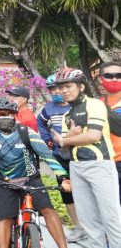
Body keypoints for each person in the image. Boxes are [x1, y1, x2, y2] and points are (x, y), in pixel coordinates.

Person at [0, 97, 71, 248]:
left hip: (31, 179)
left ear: (14, 114)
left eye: (4, 113)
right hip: (5, 182)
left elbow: (47, 156)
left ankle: (63, 246)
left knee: (48, 210)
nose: (0, 117)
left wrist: (63, 178)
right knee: (4, 219)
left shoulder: (26, 132)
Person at [56, 67, 121, 248]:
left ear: (81, 86)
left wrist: (65, 138)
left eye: (68, 86)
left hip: (100, 165)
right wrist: (67, 139)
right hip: (76, 167)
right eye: (61, 88)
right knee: (88, 220)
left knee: (111, 217)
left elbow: (93, 136)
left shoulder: (95, 104)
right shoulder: (66, 115)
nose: (64, 91)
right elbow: (63, 150)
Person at [36, 74, 86, 242]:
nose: (56, 91)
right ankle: (78, 227)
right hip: (60, 156)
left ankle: (94, 226)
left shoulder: (77, 106)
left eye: (59, 87)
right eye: (52, 89)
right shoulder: (48, 108)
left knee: (86, 190)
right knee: (66, 192)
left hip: (81, 154)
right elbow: (41, 123)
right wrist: (48, 141)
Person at [94, 61, 121, 207]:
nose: (115, 79)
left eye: (119, 75)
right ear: (100, 78)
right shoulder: (95, 104)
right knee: (111, 207)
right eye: (109, 76)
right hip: (105, 163)